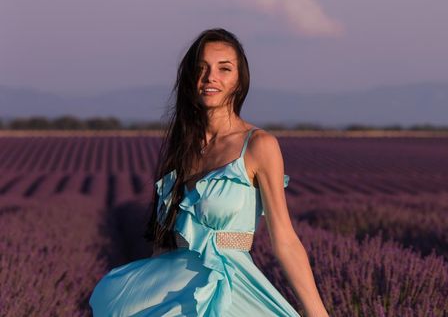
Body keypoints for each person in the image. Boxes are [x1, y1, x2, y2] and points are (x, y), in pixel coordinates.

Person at [89, 28, 329, 317]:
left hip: (229, 289)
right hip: (174, 293)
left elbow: (285, 238)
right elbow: (164, 245)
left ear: (240, 81)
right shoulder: (181, 148)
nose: (210, 77)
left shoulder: (259, 146)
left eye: (224, 68)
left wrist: (318, 313)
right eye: (201, 68)